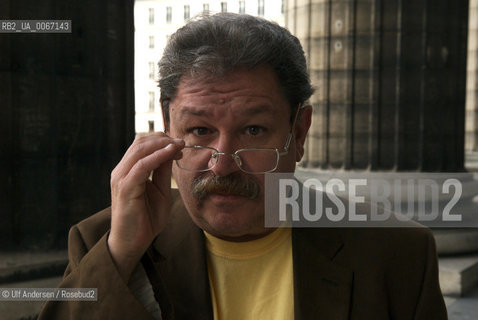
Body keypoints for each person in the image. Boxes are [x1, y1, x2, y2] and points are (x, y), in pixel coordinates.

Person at [39, 13, 447, 320]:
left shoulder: (396, 252)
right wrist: (121, 254)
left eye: (253, 130)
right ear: (166, 129)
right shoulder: (104, 243)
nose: (222, 167)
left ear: (299, 132)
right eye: (199, 130)